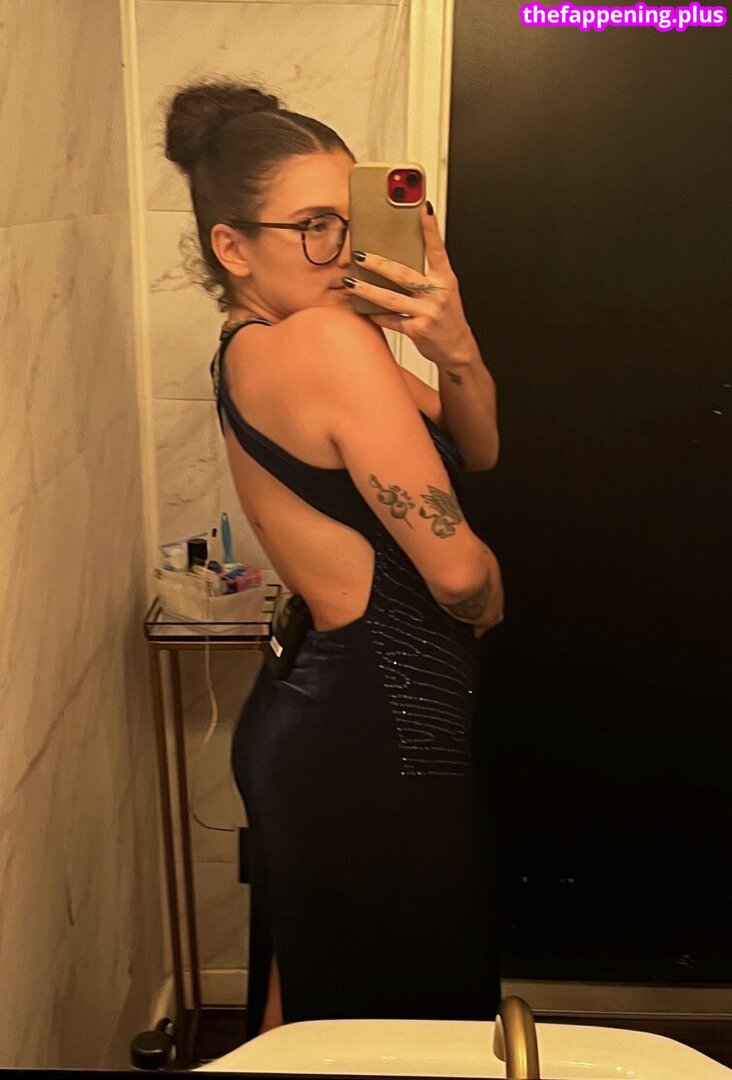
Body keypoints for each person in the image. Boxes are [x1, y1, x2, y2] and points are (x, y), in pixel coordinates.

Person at [164, 77, 504, 1041]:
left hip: (333, 725)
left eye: (349, 222)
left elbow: (479, 445)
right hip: (372, 732)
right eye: (313, 226)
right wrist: (491, 587)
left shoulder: (259, 344)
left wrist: (455, 348)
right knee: (392, 1026)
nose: (346, 250)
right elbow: (459, 576)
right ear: (232, 246)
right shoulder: (322, 343)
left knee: (316, 1002)